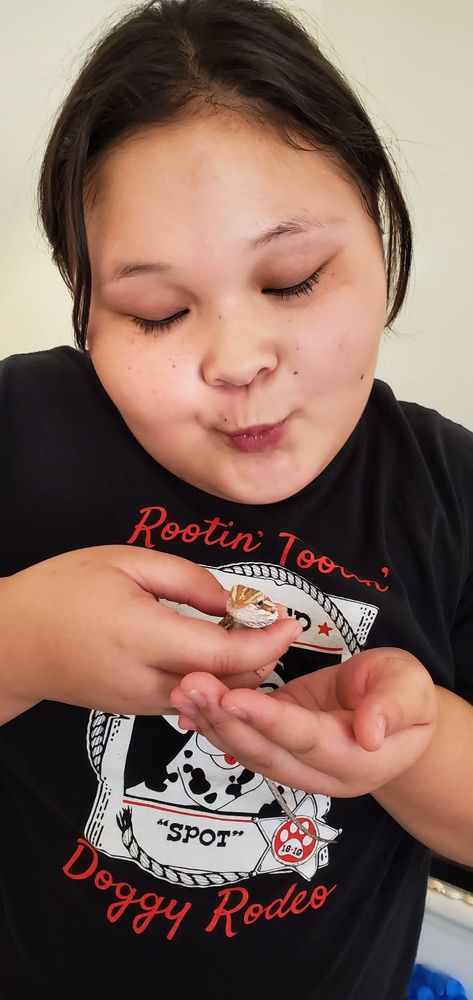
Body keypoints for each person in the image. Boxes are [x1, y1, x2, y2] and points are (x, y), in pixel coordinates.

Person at [0, 0, 472, 997]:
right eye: (157, 311)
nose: (238, 361)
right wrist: (22, 644)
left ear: (379, 233)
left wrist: (402, 740)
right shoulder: (20, 430)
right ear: (84, 296)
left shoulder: (447, 490)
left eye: (292, 281)